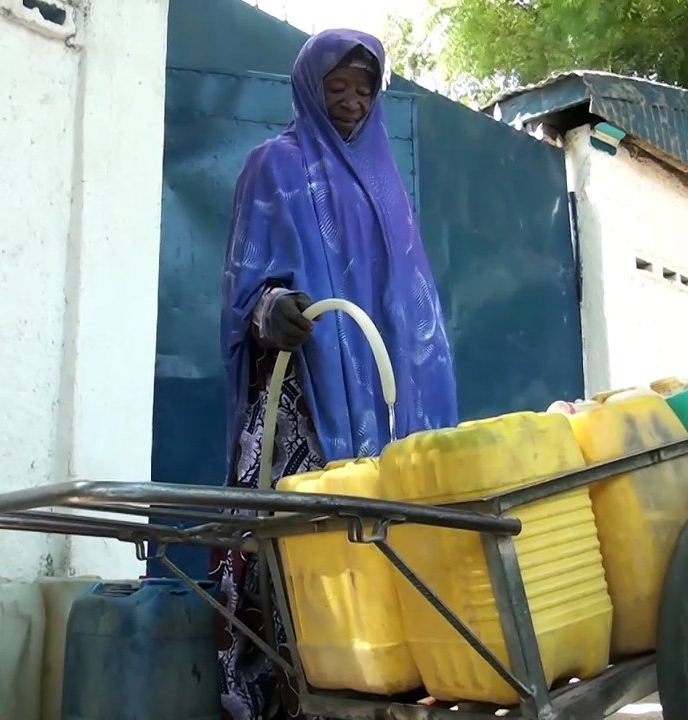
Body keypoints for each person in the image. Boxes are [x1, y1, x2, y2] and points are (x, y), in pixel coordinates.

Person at [210, 28, 458, 720]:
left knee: (379, 558)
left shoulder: (388, 188)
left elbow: (416, 309)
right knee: (279, 554)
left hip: (385, 406)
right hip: (301, 396)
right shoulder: (273, 168)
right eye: (337, 87)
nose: (351, 103)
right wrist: (269, 310)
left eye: (364, 89)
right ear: (309, 89)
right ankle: (269, 704)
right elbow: (245, 285)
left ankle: (382, 691)